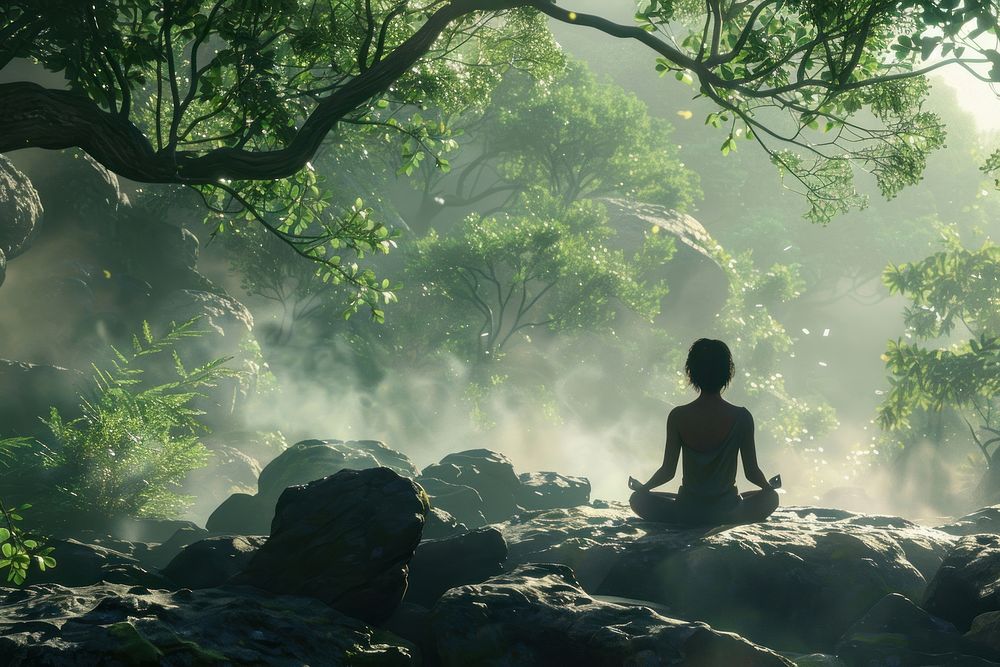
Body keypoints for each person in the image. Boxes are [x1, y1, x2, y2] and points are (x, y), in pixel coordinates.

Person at [628, 338, 780, 526]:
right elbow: (751, 473)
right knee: (771, 498)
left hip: (687, 512)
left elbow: (668, 471)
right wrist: (768, 487)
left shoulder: (678, 416)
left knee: (637, 499)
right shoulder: (742, 417)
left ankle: (656, 499)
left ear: (692, 373)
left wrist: (643, 489)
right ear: (727, 373)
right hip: (727, 512)